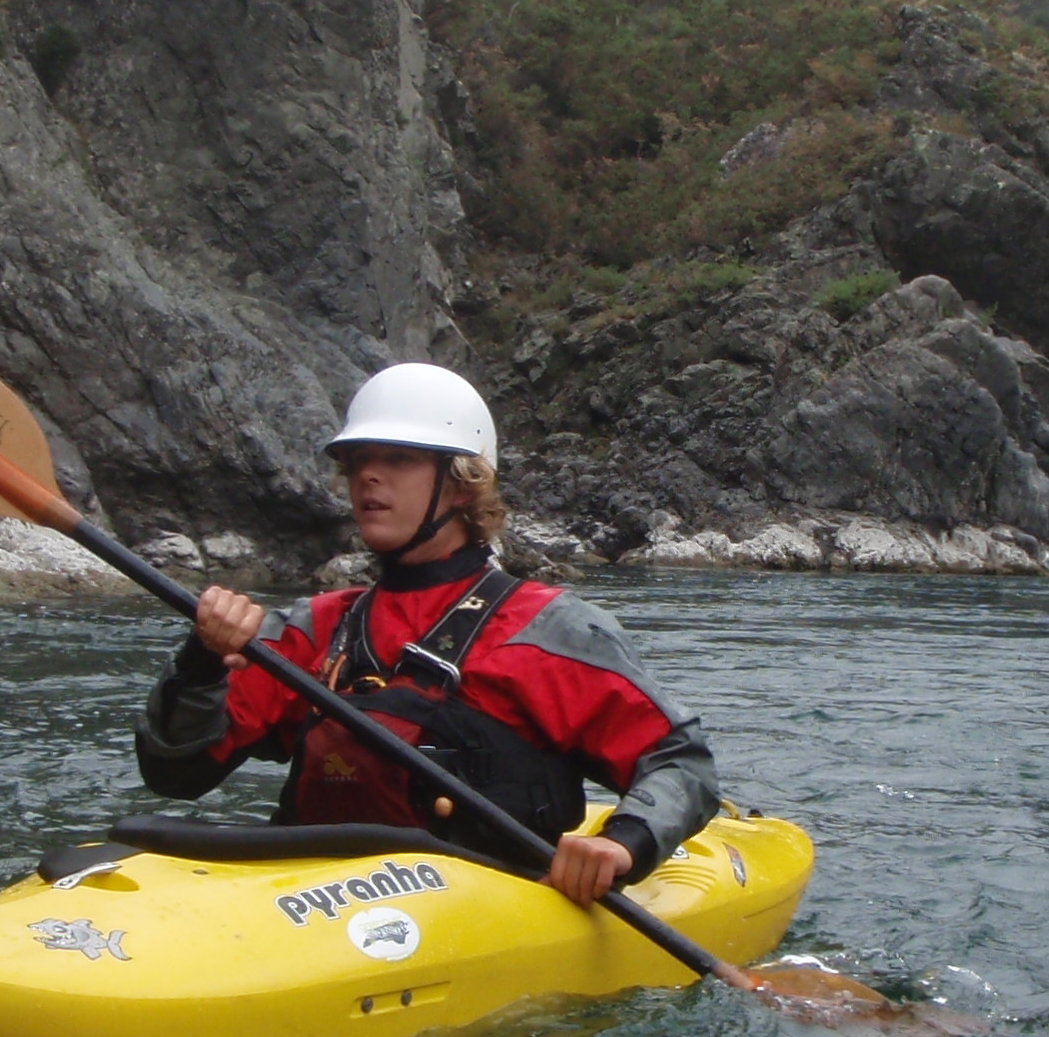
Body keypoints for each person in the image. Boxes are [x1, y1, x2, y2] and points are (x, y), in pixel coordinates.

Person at [136, 362, 720, 907]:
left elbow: (680, 763)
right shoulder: (312, 628)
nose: (368, 474)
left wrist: (624, 842)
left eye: (400, 457)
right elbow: (176, 771)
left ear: (464, 483)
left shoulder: (548, 631)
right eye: (358, 459)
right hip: (309, 903)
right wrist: (201, 662)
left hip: (484, 909)